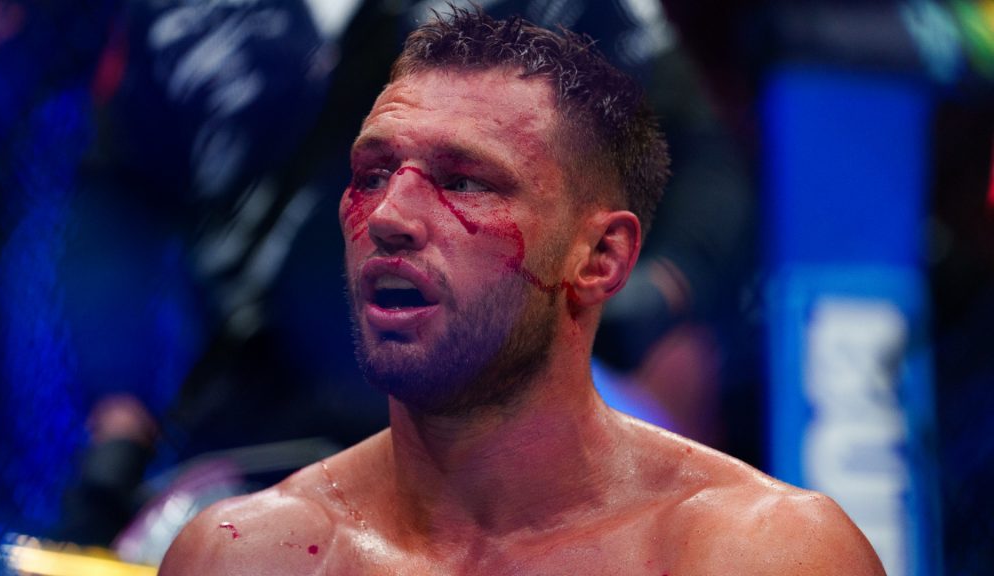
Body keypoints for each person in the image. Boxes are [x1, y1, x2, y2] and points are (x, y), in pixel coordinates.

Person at [159, 7, 885, 574]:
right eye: (374, 173)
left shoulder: (759, 556)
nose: (388, 218)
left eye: (464, 180)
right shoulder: (244, 556)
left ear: (600, 257)